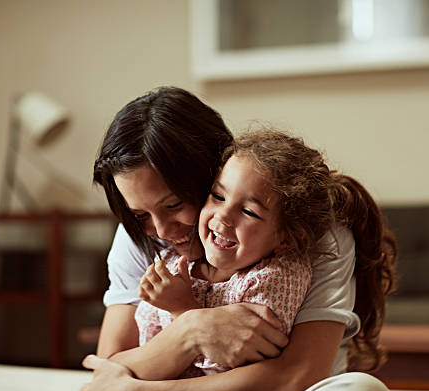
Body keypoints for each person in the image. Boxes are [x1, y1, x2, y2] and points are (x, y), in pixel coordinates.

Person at [81, 86, 398, 391]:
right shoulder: (141, 234)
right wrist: (191, 329)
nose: (161, 230)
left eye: (174, 204)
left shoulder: (317, 234)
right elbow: (108, 372)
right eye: (139, 213)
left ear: (217, 172)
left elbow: (293, 379)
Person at [135, 130, 321, 376]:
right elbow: (146, 344)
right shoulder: (175, 263)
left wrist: (183, 309)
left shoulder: (277, 277)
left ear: (286, 239)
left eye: (249, 212)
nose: (223, 216)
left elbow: (240, 365)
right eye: (218, 196)